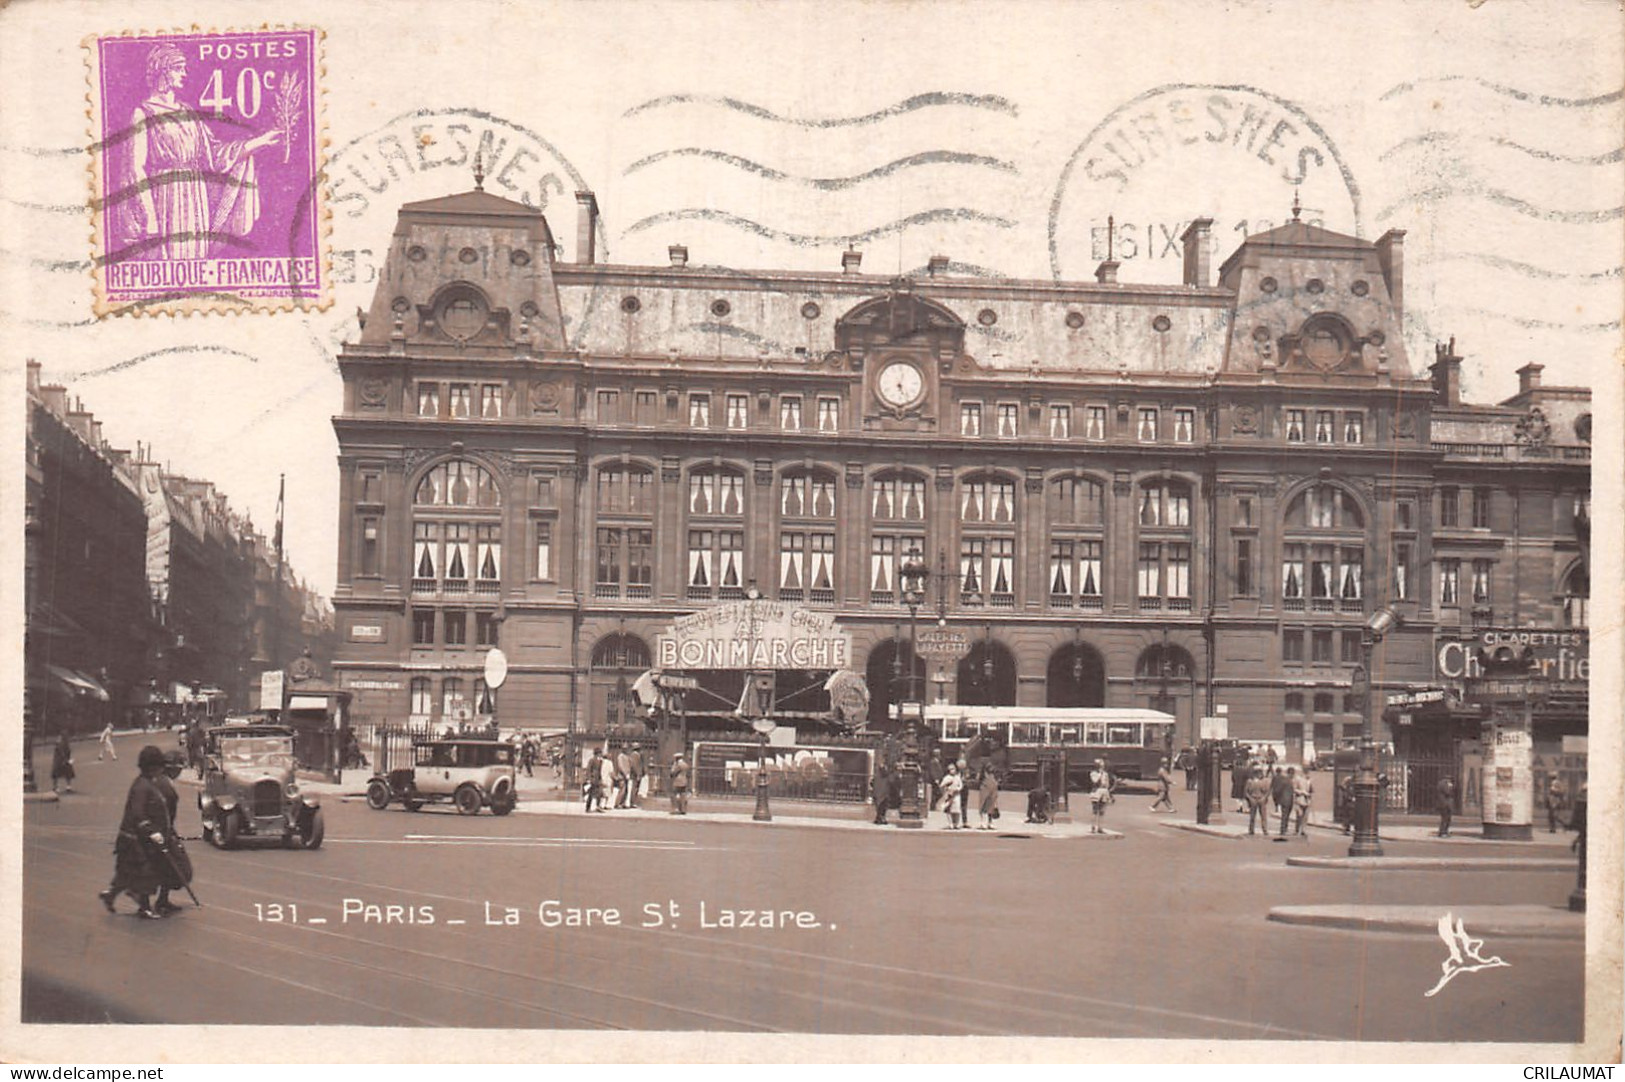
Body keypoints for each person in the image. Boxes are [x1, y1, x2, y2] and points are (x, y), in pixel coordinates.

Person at [121, 43, 280, 259]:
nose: (184, 74)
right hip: (166, 199)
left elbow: (213, 156)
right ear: (163, 71)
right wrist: (150, 217)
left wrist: (257, 143)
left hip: (195, 198)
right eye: (178, 68)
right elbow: (135, 169)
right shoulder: (143, 113)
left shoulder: (188, 113)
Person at [98, 746, 177, 919]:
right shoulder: (142, 786)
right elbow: (138, 813)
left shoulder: (146, 783)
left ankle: (110, 895)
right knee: (145, 872)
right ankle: (144, 908)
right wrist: (151, 831)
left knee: (127, 872)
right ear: (151, 767)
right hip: (134, 838)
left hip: (135, 837)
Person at [1245, 766, 1271, 836]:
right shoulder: (1250, 781)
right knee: (1252, 816)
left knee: (1263, 816)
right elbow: (1246, 792)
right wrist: (1250, 799)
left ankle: (1265, 829)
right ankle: (1251, 829)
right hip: (1253, 798)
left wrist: (1264, 797)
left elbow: (1268, 791)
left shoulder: (1265, 781)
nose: (1259, 774)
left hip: (1261, 799)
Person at [1088, 759, 1113, 834]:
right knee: (1095, 810)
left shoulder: (1105, 774)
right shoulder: (1093, 773)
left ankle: (1100, 827)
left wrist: (1109, 794)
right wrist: (1100, 774)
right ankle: (1093, 827)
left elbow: (1107, 784)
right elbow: (1095, 781)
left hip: (1104, 791)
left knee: (1102, 811)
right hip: (1097, 791)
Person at [1289, 767, 1312, 835]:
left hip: (1307, 800)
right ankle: (1297, 829)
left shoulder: (1309, 780)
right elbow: (1294, 789)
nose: (1308, 774)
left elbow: (1311, 790)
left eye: (1308, 773)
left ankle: (1303, 830)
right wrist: (1302, 792)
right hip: (1299, 800)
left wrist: (1310, 793)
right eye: (1306, 773)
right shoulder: (1298, 779)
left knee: (1305, 817)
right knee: (1299, 815)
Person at [940, 763, 964, 829]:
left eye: (953, 769)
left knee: (957, 810)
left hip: (956, 795)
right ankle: (950, 823)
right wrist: (947, 787)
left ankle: (956, 823)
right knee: (948, 810)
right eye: (950, 769)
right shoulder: (947, 778)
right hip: (949, 795)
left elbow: (961, 785)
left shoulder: (957, 777)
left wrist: (958, 789)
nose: (952, 771)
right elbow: (941, 785)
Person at [1271, 767, 1293, 837]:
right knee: (1285, 815)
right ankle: (1283, 829)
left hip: (1289, 800)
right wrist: (1277, 799)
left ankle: (1285, 828)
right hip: (1285, 800)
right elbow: (1278, 790)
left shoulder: (1289, 780)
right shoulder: (1285, 781)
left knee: (1286, 815)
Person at [977, 765, 1000, 830]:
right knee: (983, 806)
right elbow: (978, 780)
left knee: (991, 807)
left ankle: (990, 823)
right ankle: (983, 822)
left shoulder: (993, 776)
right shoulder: (984, 776)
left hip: (992, 792)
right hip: (985, 791)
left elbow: (996, 785)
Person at [584, 748, 605, 812]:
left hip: (598, 779)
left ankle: (598, 806)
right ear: (597, 753)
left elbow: (599, 771)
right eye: (600, 753)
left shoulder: (600, 761)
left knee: (599, 793)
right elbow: (588, 769)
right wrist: (589, 778)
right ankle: (588, 808)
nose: (601, 754)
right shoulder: (592, 760)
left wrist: (601, 779)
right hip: (593, 779)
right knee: (591, 794)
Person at [872, 761, 892, 825]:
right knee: (882, 807)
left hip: (879, 793)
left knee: (880, 807)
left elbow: (872, 783)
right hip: (883, 793)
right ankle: (881, 818)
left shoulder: (877, 776)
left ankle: (879, 818)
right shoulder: (886, 776)